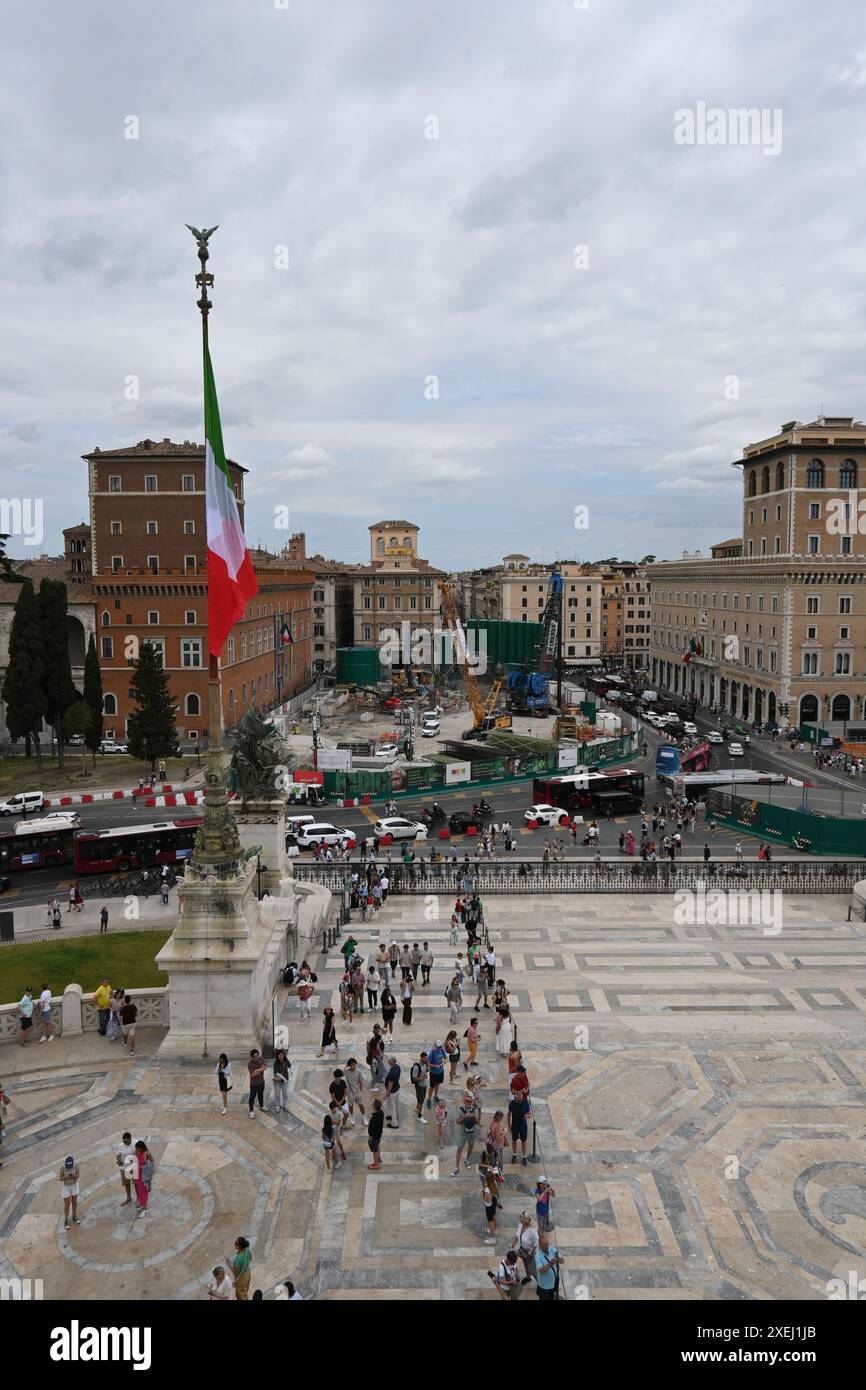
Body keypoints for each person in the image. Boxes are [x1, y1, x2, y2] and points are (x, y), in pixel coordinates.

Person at [452, 1090, 478, 1173]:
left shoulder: (474, 1109)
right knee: (459, 1149)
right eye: (467, 1101)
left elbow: (478, 1121)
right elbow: (457, 1122)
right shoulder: (461, 1109)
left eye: (470, 1101)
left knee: (471, 1146)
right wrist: (464, 1117)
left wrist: (473, 1116)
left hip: (472, 1132)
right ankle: (456, 1167)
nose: (468, 1102)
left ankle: (467, 1159)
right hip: (463, 1133)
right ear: (464, 1101)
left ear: (472, 1102)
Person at [535, 1230, 562, 1301]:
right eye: (545, 1246)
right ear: (540, 1245)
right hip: (544, 1286)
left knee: (551, 1298)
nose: (547, 1247)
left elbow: (562, 1260)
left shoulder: (551, 1249)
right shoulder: (537, 1256)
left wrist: (558, 1259)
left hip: (552, 1284)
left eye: (547, 1244)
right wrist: (550, 1263)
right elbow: (541, 1271)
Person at [59, 1155, 81, 1227]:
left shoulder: (76, 1165)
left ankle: (74, 1216)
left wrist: (74, 1175)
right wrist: (66, 1177)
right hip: (66, 1187)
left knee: (74, 1202)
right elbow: (61, 1179)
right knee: (67, 1204)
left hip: (74, 1186)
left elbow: (78, 1175)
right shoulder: (62, 1168)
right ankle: (66, 1219)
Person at [134, 1140, 154, 1217]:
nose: (136, 1150)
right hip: (138, 1176)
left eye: (137, 1148)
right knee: (139, 1192)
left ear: (141, 1148)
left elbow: (152, 1164)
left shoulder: (147, 1153)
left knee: (143, 1192)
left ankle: (146, 1209)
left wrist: (143, 1167)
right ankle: (143, 1205)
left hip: (144, 1176)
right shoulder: (138, 1153)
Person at [116, 1131, 136, 1206]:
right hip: (124, 1168)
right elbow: (118, 1155)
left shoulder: (136, 1143)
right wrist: (118, 1159)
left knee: (136, 1184)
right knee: (126, 1184)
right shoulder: (121, 1145)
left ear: (130, 1138)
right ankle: (128, 1198)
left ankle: (139, 1198)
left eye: (126, 1141)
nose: (125, 1143)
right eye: (124, 1141)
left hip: (134, 1168)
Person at [344, 1057, 365, 1126]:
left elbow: (361, 1082)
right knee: (350, 1105)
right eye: (352, 1065)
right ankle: (352, 1116)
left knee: (361, 1105)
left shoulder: (359, 1072)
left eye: (354, 1064)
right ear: (349, 1065)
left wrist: (361, 1091)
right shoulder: (346, 1072)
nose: (354, 1066)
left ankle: (364, 1117)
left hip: (358, 1091)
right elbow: (341, 1071)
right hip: (350, 1092)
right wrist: (346, 1066)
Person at [426, 1039, 446, 1109]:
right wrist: (435, 1066)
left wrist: (445, 1060)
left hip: (440, 1071)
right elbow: (428, 1063)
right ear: (435, 1046)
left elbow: (445, 1057)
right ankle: (429, 1099)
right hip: (434, 1073)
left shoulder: (442, 1050)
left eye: (440, 1047)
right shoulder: (432, 1052)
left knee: (437, 1084)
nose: (439, 1048)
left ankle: (436, 1096)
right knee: (432, 1086)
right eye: (437, 1047)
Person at [410, 1052, 429, 1122]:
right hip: (419, 1086)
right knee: (421, 1101)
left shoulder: (425, 1063)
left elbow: (426, 1071)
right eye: (425, 1058)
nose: (427, 1059)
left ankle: (417, 1108)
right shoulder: (416, 1067)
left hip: (424, 1085)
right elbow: (414, 1078)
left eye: (427, 1058)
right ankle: (419, 1116)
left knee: (422, 1098)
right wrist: (422, 1078)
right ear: (421, 1057)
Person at [247, 1049, 266, 1115]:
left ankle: (262, 1106)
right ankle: (251, 1111)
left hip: (261, 1081)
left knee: (261, 1095)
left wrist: (256, 1070)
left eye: (257, 1055)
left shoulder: (261, 1059)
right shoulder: (250, 1064)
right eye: (255, 1056)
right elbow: (252, 1074)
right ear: (252, 1057)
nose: (257, 1057)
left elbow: (265, 1067)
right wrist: (260, 1069)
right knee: (252, 1097)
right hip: (254, 1084)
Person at [384, 1055, 401, 1128]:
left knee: (392, 1107)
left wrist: (386, 1095)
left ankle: (394, 1124)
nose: (389, 1063)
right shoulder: (398, 1067)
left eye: (390, 1062)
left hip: (392, 1092)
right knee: (395, 1105)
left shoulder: (392, 1073)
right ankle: (394, 1116)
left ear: (393, 1062)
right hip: (397, 1089)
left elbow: (390, 1085)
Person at [367, 1098, 384, 1169]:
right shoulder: (381, 1113)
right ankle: (379, 1158)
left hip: (374, 1136)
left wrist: (370, 1138)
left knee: (374, 1149)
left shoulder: (374, 1119)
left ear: (374, 1106)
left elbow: (372, 1130)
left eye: (373, 1104)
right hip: (379, 1135)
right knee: (377, 1146)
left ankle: (376, 1164)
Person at [482, 1181, 500, 1245]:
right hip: (494, 1201)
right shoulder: (494, 1183)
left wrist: (482, 1195)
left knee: (490, 1222)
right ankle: (495, 1230)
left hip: (489, 1206)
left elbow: (487, 1199)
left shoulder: (487, 1189)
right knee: (494, 1216)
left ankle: (493, 1239)